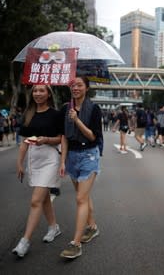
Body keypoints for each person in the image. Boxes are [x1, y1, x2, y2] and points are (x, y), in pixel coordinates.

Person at [12, 85, 64, 258]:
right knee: (44, 199)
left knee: (36, 200)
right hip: (35, 158)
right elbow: (25, 141)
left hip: (50, 158)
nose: (38, 93)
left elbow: (61, 138)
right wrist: (19, 163)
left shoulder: (56, 115)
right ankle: (53, 227)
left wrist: (47, 140)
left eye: (42, 90)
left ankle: (24, 241)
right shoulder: (28, 114)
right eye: (35, 91)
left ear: (48, 94)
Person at [59, 76, 102, 259]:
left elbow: (92, 136)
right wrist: (62, 161)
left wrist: (76, 120)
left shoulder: (94, 109)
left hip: (89, 155)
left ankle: (75, 243)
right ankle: (92, 227)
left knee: (80, 198)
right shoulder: (65, 108)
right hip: (72, 157)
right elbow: (64, 136)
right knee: (84, 197)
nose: (75, 88)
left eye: (79, 85)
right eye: (73, 85)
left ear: (86, 88)